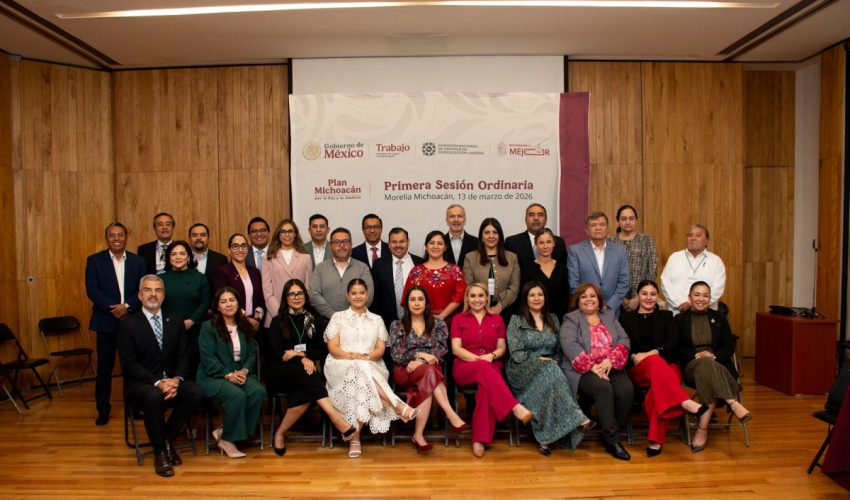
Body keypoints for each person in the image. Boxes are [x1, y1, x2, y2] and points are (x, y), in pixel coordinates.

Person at [323, 279, 422, 458]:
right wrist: (353, 356)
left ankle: (355, 438)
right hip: (340, 364)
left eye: (362, 293)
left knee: (360, 374)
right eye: (354, 293)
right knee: (358, 368)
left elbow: (380, 350)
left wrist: (366, 357)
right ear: (348, 296)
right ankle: (398, 405)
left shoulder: (376, 319)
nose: (358, 296)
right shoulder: (338, 317)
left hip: (371, 365)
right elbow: (333, 348)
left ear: (367, 295)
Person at [118, 275, 205, 477]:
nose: (153, 294)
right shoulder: (128, 325)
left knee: (197, 392)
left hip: (171, 381)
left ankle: (165, 439)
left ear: (163, 296)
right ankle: (160, 453)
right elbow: (129, 364)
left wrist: (176, 380)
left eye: (158, 290)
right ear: (139, 295)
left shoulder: (175, 320)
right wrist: (158, 382)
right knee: (154, 396)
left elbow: (184, 355)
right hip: (142, 385)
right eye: (148, 290)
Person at [263, 279, 357, 455]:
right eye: (292, 294)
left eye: (300, 293)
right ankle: (337, 419)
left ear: (305, 296)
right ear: (286, 298)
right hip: (279, 371)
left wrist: (302, 355)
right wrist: (303, 359)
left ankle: (280, 433)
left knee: (307, 387)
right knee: (310, 376)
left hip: (306, 372)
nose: (296, 297)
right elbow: (277, 353)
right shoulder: (277, 321)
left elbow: (322, 350)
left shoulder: (316, 321)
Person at [619, 280, 708, 456]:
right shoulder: (626, 318)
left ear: (658, 297)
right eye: (644, 293)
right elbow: (622, 345)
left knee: (656, 392)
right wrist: (635, 356)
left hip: (667, 365)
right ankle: (684, 401)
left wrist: (651, 353)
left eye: (653, 294)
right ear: (638, 295)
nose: (648, 298)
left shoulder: (667, 316)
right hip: (639, 368)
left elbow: (673, 344)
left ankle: (655, 441)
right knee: (654, 362)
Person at [506, 281, 592, 456]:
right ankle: (578, 417)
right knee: (551, 372)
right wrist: (538, 360)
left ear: (545, 298)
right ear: (525, 299)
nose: (536, 298)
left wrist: (553, 362)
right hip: (522, 368)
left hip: (550, 368)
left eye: (540, 294)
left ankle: (545, 441)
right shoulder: (516, 320)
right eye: (532, 295)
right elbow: (516, 353)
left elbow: (559, 349)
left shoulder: (553, 318)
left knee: (550, 380)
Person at [451, 282, 534, 458]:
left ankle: (479, 439)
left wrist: (492, 356)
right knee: (484, 368)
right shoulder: (459, 319)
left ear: (487, 298)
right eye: (473, 296)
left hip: (492, 366)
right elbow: (456, 349)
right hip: (465, 367)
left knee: (485, 390)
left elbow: (502, 347)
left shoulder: (497, 319)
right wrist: (480, 360)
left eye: (481, 295)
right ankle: (514, 407)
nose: (477, 299)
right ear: (467, 299)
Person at [389, 286, 469, 453]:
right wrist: (422, 357)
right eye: (412, 299)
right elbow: (397, 354)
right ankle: (450, 413)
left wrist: (423, 361)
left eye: (420, 299)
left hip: (429, 372)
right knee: (431, 370)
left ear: (426, 303)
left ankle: (418, 435)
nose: (417, 303)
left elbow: (441, 350)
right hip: (405, 371)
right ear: (407, 303)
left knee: (428, 376)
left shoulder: (438, 324)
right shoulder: (397, 325)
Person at [559, 282, 634, 460]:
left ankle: (608, 426)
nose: (589, 299)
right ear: (578, 301)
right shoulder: (571, 319)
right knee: (603, 388)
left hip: (610, 365)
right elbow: (569, 345)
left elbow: (624, 339)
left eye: (593, 296)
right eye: (584, 296)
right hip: (583, 370)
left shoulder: (609, 316)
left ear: (599, 300)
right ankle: (612, 440)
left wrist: (610, 360)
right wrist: (592, 366)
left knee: (626, 391)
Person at [677, 281, 751, 453]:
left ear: (710, 298)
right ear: (689, 297)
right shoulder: (679, 320)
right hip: (691, 366)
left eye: (705, 295)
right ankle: (732, 401)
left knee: (707, 368)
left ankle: (702, 429)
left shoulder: (719, 318)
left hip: (717, 364)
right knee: (704, 363)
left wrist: (714, 356)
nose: (701, 299)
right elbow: (677, 347)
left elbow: (729, 346)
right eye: (697, 295)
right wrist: (697, 355)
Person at [85, 222, 147, 426]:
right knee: (105, 368)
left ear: (126, 238)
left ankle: (133, 408)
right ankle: (103, 410)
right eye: (112, 235)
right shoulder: (94, 261)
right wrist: (114, 308)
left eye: (120, 235)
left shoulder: (138, 261)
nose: (116, 239)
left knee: (132, 367)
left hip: (132, 320)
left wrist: (127, 306)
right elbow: (92, 289)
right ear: (106, 238)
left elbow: (143, 288)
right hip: (106, 321)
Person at [196, 287, 267, 458]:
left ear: (238, 303)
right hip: (213, 375)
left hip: (240, 372)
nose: (228, 304)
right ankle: (227, 440)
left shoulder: (244, 325)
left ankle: (226, 431)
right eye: (223, 301)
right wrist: (228, 374)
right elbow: (208, 358)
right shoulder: (208, 327)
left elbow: (252, 353)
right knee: (236, 395)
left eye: (232, 300)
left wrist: (245, 370)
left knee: (258, 391)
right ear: (218, 307)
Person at [160, 240, 211, 377]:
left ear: (188, 257)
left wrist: (192, 320)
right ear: (169, 258)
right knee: (171, 367)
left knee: (193, 367)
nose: (178, 257)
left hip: (194, 331)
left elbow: (206, 301)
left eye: (182, 253)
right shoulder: (160, 280)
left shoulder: (200, 278)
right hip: (168, 330)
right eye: (173, 254)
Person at [567, 212, 629, 316]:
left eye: (602, 225)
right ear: (586, 230)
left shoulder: (620, 250)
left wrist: (609, 306)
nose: (598, 228)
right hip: (585, 310)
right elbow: (573, 284)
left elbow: (624, 282)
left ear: (607, 228)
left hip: (612, 311)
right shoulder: (575, 251)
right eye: (593, 225)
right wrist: (590, 305)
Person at [309, 228, 374, 319]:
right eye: (337, 242)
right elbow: (314, 295)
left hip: (356, 321)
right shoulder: (320, 268)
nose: (342, 245)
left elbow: (368, 295)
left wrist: (350, 316)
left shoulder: (362, 268)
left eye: (345, 241)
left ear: (351, 244)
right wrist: (334, 316)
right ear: (330, 245)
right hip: (326, 321)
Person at [661, 224, 726, 315]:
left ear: (706, 241)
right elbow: (665, 283)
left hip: (705, 314)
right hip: (676, 313)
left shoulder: (716, 261)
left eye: (698, 235)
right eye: (690, 235)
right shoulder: (675, 257)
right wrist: (680, 303)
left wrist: (691, 304)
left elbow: (717, 289)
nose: (693, 238)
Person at [402, 230, 466, 323]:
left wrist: (442, 315)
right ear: (426, 247)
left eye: (440, 243)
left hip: (451, 323)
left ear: (445, 247)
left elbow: (460, 296)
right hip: (422, 323)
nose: (435, 246)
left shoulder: (455, 270)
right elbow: (407, 297)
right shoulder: (416, 271)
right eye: (432, 243)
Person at [462, 218, 520, 317]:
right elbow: (469, 286)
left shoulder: (512, 257)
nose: (491, 236)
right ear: (481, 237)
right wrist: (483, 306)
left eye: (495, 232)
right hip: (478, 309)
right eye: (487, 232)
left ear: (500, 236)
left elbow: (515, 287)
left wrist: (500, 306)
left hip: (506, 310)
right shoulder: (470, 257)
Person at [262, 219, 313, 328]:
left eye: (290, 231)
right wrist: (280, 314)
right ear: (278, 234)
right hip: (275, 316)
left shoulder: (306, 258)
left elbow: (308, 288)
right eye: (283, 232)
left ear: (295, 234)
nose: (287, 235)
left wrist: (297, 312)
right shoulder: (268, 258)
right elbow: (267, 291)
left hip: (300, 315)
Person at [370, 227, 424, 333]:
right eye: (394, 242)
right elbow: (376, 298)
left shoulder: (420, 263)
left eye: (402, 241)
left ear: (408, 242)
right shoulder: (379, 265)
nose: (398, 245)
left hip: (417, 324)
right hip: (386, 325)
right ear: (389, 244)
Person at [609, 205, 657, 313]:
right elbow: (607, 273)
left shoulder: (646, 240)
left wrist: (639, 297)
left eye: (631, 218)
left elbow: (652, 270)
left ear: (636, 220)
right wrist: (619, 298)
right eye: (623, 219)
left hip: (643, 298)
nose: (628, 222)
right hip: (615, 298)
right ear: (618, 221)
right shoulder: (610, 241)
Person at [213, 233, 265, 330]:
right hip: (233, 324)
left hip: (255, 324)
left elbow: (261, 298)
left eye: (243, 246)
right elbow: (224, 300)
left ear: (248, 249)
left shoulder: (255, 272)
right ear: (229, 250)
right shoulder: (222, 272)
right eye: (235, 246)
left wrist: (257, 317)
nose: (240, 250)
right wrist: (246, 319)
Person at [519, 228, 569, 321]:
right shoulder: (527, 268)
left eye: (549, 242)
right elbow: (524, 297)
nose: (545, 246)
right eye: (541, 243)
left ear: (554, 243)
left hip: (560, 318)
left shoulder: (562, 268)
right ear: (536, 244)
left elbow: (566, 297)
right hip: (534, 319)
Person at [505, 203, 567, 267]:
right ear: (525, 220)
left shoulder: (559, 242)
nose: (536, 218)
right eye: (531, 215)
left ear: (546, 220)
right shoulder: (512, 243)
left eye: (540, 215)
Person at [188, 222, 228, 291]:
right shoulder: (182, 259)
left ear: (208, 238)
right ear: (189, 238)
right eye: (194, 235)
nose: (198, 238)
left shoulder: (221, 259)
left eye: (203, 235)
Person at [444, 204, 478, 268]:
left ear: (465, 220)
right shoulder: (439, 242)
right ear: (447, 221)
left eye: (460, 216)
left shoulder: (476, 242)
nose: (456, 220)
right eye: (452, 216)